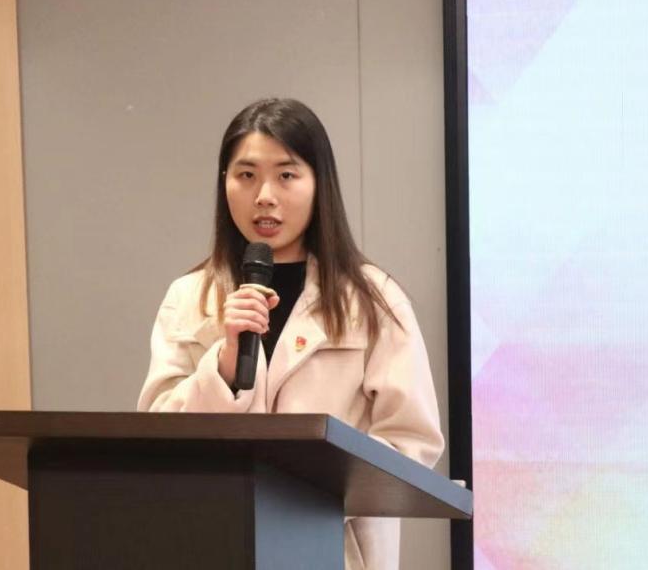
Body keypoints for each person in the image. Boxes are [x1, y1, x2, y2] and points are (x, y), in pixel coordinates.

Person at [137, 98, 444, 570]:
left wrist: (304, 498)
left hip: (332, 550)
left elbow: (412, 442)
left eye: (286, 175)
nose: (264, 195)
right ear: (224, 182)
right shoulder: (188, 296)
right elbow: (155, 434)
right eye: (246, 175)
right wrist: (223, 367)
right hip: (215, 541)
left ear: (319, 183)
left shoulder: (373, 300)